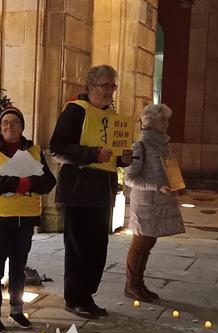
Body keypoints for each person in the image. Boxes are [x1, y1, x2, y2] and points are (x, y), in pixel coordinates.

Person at [49, 65, 134, 319]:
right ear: (91, 87)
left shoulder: (111, 116)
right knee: (78, 248)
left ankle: (87, 296)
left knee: (98, 248)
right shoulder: (75, 111)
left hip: (102, 192)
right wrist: (91, 154)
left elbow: (111, 156)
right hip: (78, 191)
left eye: (113, 86)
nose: (111, 91)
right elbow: (56, 148)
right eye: (106, 85)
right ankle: (75, 298)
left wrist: (123, 159)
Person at [0, 106, 56, 333]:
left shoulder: (35, 152)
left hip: (25, 219)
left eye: (14, 122)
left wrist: (29, 183)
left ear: (22, 127)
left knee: (19, 269)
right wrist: (16, 184)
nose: (9, 126)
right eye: (5, 123)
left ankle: (17, 311)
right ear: (0, 128)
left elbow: (49, 181)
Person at [123, 104, 185, 301]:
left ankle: (139, 284)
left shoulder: (162, 145)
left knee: (149, 242)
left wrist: (176, 182)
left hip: (159, 202)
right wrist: (157, 186)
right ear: (153, 122)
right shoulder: (140, 146)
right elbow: (129, 178)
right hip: (146, 203)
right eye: (164, 120)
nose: (167, 124)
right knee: (140, 243)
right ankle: (131, 285)